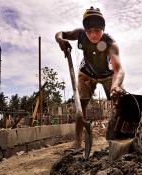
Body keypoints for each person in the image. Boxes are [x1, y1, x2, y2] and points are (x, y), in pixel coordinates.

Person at [55, 7, 125, 149]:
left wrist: (115, 86)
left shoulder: (111, 43)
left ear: (103, 30)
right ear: (85, 30)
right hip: (86, 73)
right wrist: (60, 40)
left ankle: (121, 136)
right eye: (89, 31)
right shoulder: (80, 34)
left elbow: (119, 69)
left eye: (97, 31)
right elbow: (60, 33)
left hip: (107, 75)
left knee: (119, 99)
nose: (93, 35)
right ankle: (77, 142)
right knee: (81, 105)